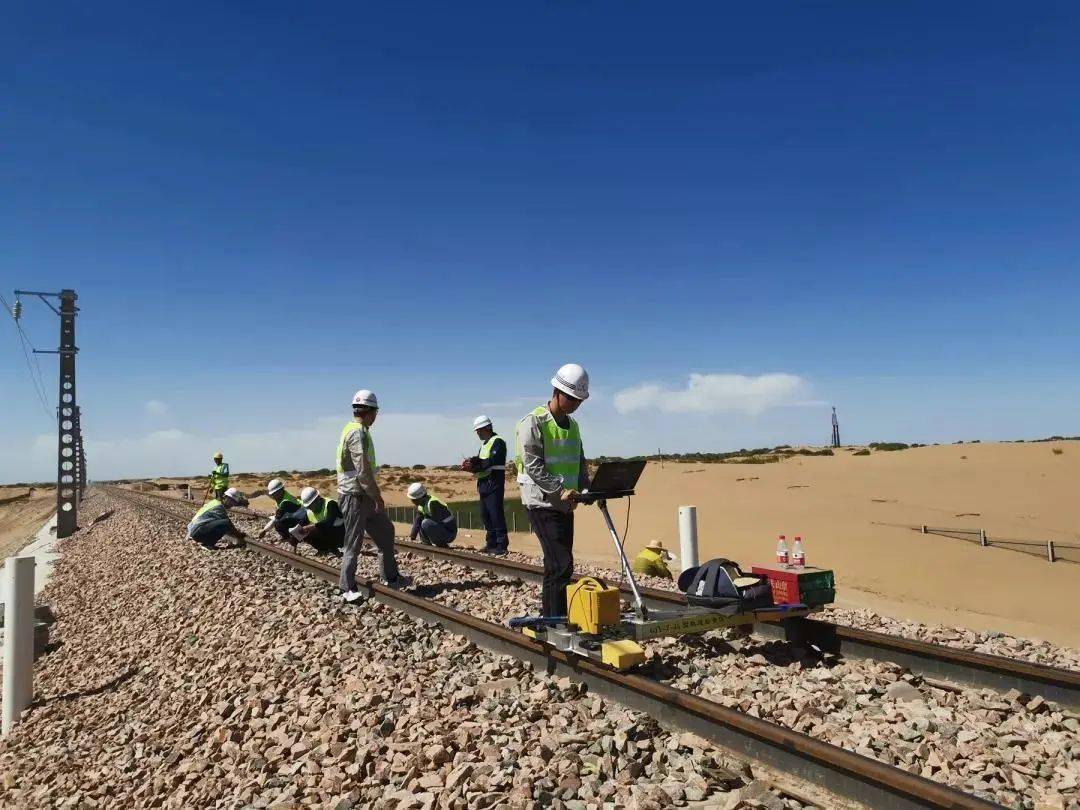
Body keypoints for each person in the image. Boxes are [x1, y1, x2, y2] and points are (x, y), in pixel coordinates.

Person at [515, 363, 591, 618]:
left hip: (566, 504)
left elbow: (579, 460)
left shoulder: (574, 425)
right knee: (560, 563)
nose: (574, 404)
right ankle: (555, 621)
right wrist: (560, 489)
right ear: (556, 391)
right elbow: (534, 467)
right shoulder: (533, 422)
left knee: (559, 565)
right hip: (541, 503)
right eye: (571, 398)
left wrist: (586, 487)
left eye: (579, 400)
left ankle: (555, 617)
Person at [337, 389, 412, 603]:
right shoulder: (356, 433)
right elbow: (362, 470)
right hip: (355, 496)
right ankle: (347, 588)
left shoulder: (358, 430)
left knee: (386, 532)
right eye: (376, 411)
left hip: (363, 495)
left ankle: (391, 577)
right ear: (370, 411)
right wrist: (377, 496)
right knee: (353, 543)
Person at [462, 415, 509, 555]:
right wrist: (470, 466)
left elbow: (492, 460)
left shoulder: (498, 442)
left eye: (479, 430)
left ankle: (501, 545)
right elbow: (482, 463)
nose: (478, 433)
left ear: (487, 428)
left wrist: (476, 464)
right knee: (486, 515)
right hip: (483, 484)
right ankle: (491, 543)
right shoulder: (484, 444)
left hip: (494, 482)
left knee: (496, 514)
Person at [287, 487, 345, 554]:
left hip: (341, 537)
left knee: (313, 529)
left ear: (318, 499)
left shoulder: (330, 504)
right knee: (306, 533)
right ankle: (324, 549)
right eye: (308, 506)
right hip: (327, 537)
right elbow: (301, 524)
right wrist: (295, 535)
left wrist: (311, 527)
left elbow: (329, 522)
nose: (310, 508)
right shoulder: (310, 511)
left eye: (311, 505)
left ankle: (335, 548)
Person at [406, 482, 457, 547]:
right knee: (423, 522)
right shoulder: (421, 505)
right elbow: (417, 521)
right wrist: (412, 536)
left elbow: (435, 522)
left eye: (413, 499)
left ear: (419, 498)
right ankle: (426, 544)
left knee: (425, 522)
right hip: (442, 531)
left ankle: (440, 543)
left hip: (449, 533)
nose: (412, 501)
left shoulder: (433, 504)